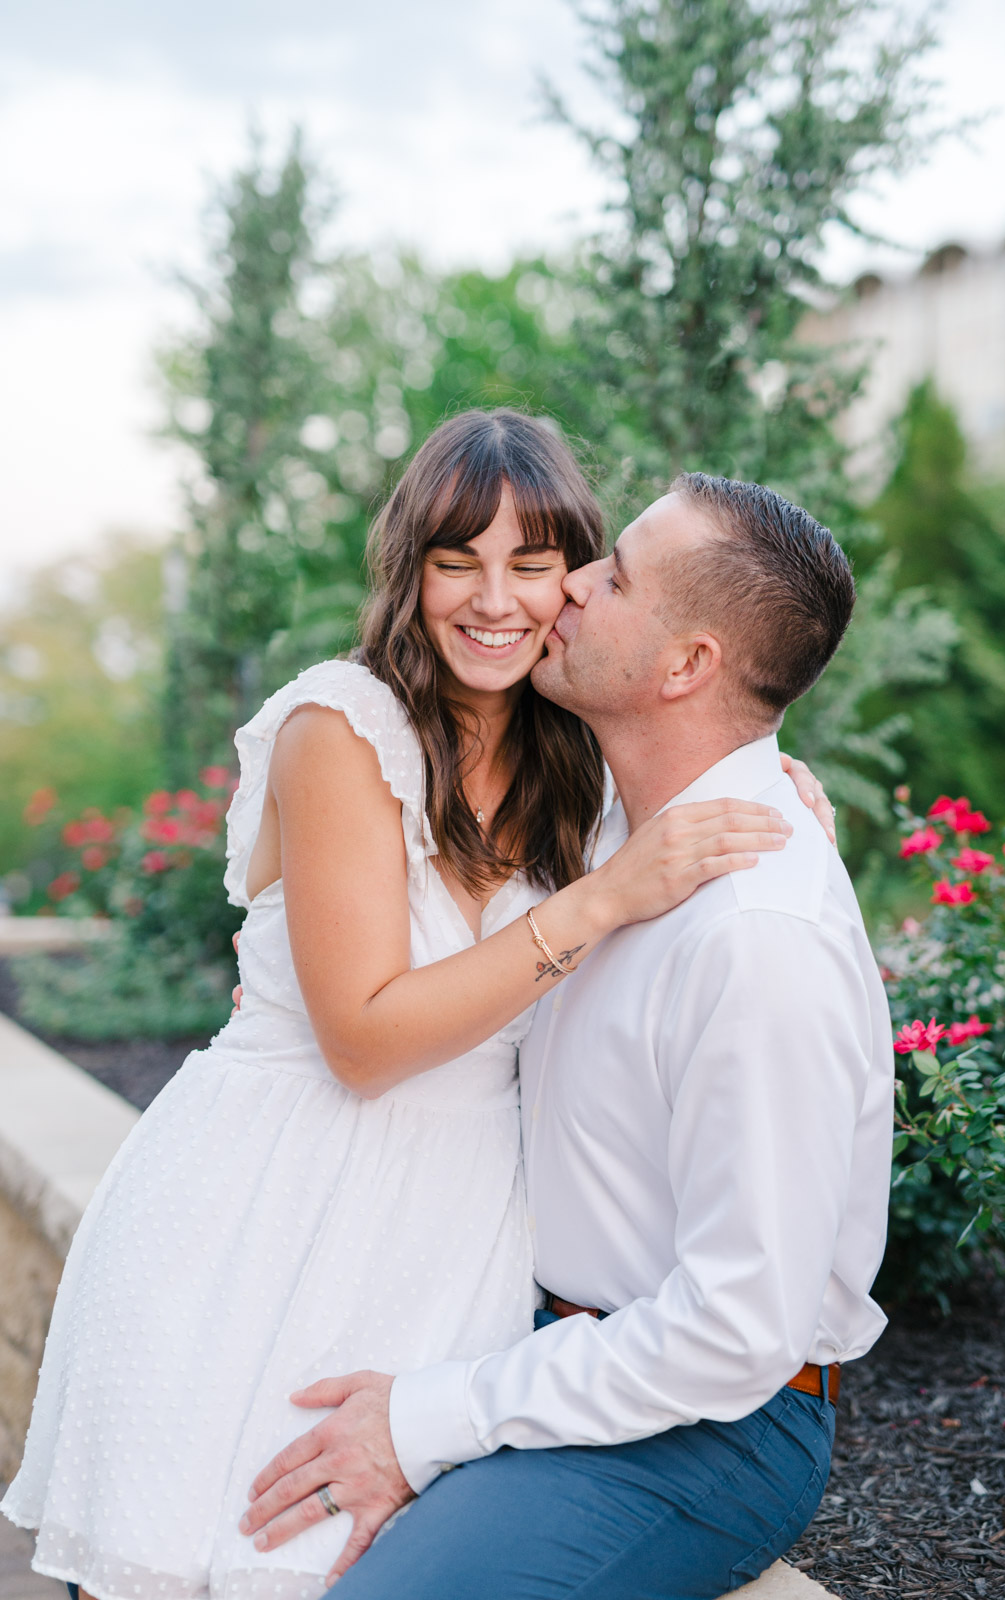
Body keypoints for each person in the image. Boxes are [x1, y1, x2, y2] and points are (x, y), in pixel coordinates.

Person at [1, 413, 832, 1600]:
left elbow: (702, 761)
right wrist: (599, 902)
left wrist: (775, 782)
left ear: (577, 581)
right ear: (411, 569)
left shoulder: (578, 762)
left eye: (533, 564)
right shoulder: (343, 726)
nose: (495, 600)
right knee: (169, 1563)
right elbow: (366, 1037)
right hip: (257, 1210)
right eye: (459, 561)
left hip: (446, 1247)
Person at [238, 473, 895, 1600]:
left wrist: (428, 1418)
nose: (569, 586)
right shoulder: (605, 829)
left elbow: (734, 1332)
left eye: (614, 575)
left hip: (706, 1426)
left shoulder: (755, 935)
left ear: (687, 666)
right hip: (529, 1334)